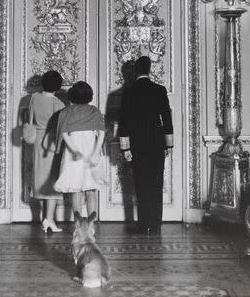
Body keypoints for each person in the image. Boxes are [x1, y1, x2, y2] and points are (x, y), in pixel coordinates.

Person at [118, 56, 173, 234]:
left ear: (135, 71)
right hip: (157, 143)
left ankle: (143, 224)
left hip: (137, 143)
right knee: (156, 182)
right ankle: (156, 223)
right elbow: (166, 118)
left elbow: (123, 121)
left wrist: (125, 147)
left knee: (141, 184)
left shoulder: (129, 91)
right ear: (150, 69)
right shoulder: (159, 90)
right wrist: (169, 144)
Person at [54, 81, 105, 218]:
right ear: (90, 96)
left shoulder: (66, 112)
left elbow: (64, 133)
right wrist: (95, 153)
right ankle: (91, 226)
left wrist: (74, 150)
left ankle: (79, 226)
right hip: (91, 149)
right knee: (92, 189)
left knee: (76, 189)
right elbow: (101, 133)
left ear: (71, 96)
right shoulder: (94, 111)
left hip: (73, 153)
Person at [28, 70, 66, 232]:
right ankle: (49, 219)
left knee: (41, 179)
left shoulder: (34, 98)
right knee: (52, 181)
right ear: (58, 86)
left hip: (36, 140)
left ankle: (46, 218)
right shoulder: (59, 104)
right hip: (51, 143)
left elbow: (29, 121)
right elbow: (59, 128)